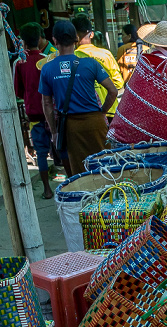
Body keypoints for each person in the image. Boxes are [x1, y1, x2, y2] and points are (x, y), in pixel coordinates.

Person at [39, 20, 117, 175]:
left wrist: (54, 132)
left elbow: (47, 104)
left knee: (81, 172)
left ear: (54, 40)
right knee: (107, 168)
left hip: (70, 127)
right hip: (95, 123)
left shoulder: (47, 68)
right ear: (76, 39)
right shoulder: (90, 64)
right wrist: (102, 112)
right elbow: (113, 91)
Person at [14, 23, 60, 198]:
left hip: (33, 114)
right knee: (60, 146)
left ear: (23, 42)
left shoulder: (20, 63)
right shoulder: (46, 60)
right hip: (51, 112)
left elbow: (18, 90)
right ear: (40, 39)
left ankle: (47, 189)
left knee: (41, 152)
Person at [72, 15, 124, 122]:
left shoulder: (72, 57)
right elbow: (119, 83)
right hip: (110, 110)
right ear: (92, 34)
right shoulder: (106, 54)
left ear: (73, 35)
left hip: (85, 113)